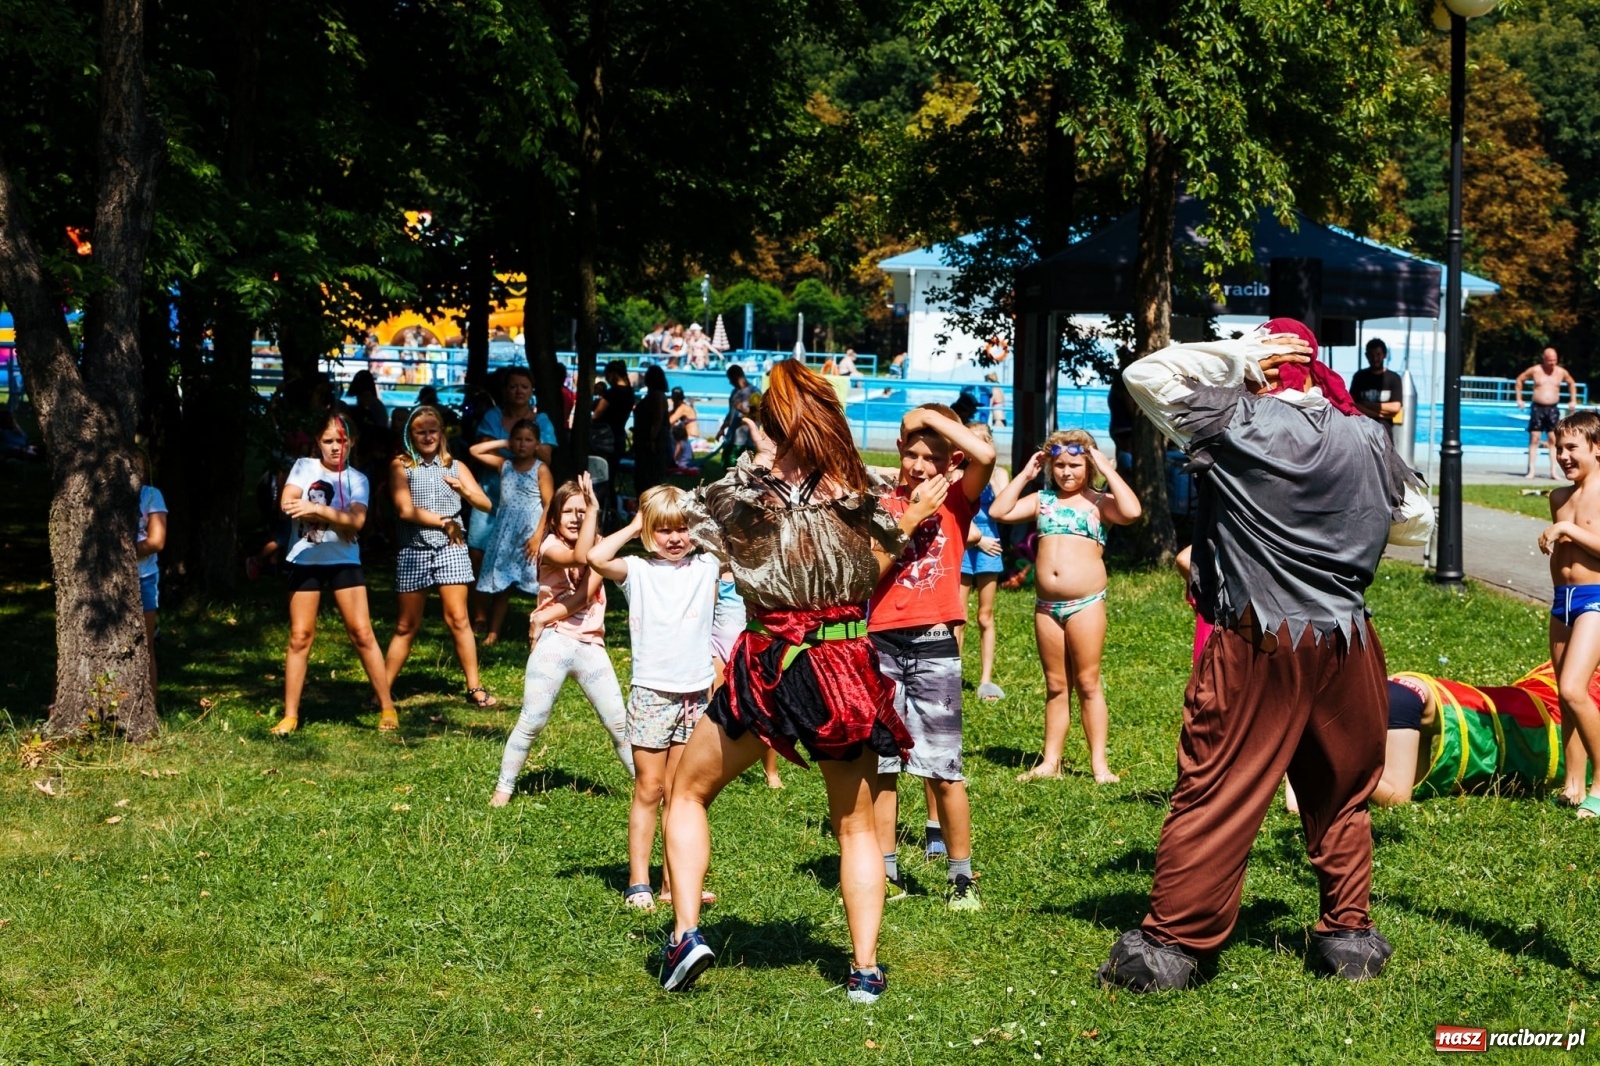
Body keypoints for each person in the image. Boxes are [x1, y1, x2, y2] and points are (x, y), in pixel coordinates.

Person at [1099, 318, 1433, 992]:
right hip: (1347, 638)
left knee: (1218, 786)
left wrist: (1236, 356)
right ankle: (1349, 936)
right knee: (1342, 794)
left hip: (1258, 636)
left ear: (1262, 360)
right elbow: (1415, 523)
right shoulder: (1367, 435)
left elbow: (1144, 375)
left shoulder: (1232, 419)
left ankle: (1171, 946)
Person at [659, 359, 945, 1001]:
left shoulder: (738, 495)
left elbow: (681, 526)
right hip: (843, 667)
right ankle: (865, 971)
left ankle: (685, 933)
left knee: (688, 792)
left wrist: (757, 464)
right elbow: (876, 559)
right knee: (855, 827)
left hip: (767, 664)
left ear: (770, 422)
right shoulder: (859, 490)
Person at [871, 404, 997, 910]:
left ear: (952, 462)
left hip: (934, 644)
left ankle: (961, 877)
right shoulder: (882, 503)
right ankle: (884, 870)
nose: (919, 466)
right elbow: (868, 571)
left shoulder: (960, 499)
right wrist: (910, 514)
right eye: (912, 454)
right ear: (900, 452)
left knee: (943, 768)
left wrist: (923, 414)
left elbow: (984, 453)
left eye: (932, 457)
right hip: (881, 640)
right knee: (882, 765)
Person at [582, 485, 720, 913]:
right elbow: (595, 558)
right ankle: (638, 881)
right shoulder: (637, 571)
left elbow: (741, 543)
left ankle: (671, 884)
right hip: (652, 694)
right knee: (649, 787)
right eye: (664, 530)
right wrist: (634, 526)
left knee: (680, 793)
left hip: (696, 694)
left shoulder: (708, 565)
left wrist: (703, 522)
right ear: (649, 532)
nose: (675, 538)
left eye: (682, 528)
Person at [990, 430, 1141, 784]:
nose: (1066, 472)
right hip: (1047, 608)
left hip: (1086, 605)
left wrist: (1107, 466)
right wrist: (1026, 475)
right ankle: (1051, 761)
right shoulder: (1043, 501)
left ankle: (1099, 763)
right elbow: (1000, 510)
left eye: (1075, 465)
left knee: (1087, 683)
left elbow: (1132, 511)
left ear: (1088, 466)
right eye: (1059, 465)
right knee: (1056, 685)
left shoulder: (1099, 503)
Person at [491, 474, 632, 807]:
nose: (576, 518)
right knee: (533, 720)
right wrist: (546, 620)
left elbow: (585, 595)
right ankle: (502, 790)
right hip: (554, 643)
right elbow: (580, 557)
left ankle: (650, 789)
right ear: (554, 518)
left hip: (590, 646)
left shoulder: (599, 546)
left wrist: (541, 615)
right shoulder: (549, 546)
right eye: (569, 511)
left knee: (619, 723)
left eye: (583, 511)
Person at [272, 413, 397, 734]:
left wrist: (315, 509)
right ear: (318, 443)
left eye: (341, 441)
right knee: (300, 636)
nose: (335, 447)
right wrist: (336, 519)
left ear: (351, 442)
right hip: (304, 559)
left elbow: (357, 522)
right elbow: (287, 503)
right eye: (328, 441)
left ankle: (387, 706)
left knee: (362, 633)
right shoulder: (304, 467)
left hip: (344, 561)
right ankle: (290, 715)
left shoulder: (358, 479)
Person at [384, 406, 497, 708]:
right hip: (415, 550)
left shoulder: (456, 466)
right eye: (420, 431)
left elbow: (485, 504)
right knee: (406, 624)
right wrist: (444, 521)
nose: (427, 436)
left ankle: (474, 687)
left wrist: (466, 493)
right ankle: (381, 692)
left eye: (433, 430)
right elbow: (404, 510)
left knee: (458, 618)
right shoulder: (401, 466)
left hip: (452, 548)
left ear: (442, 432)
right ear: (410, 434)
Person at [1538, 410, 1600, 818]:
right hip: (1562, 601)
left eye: (1572, 447)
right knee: (1565, 695)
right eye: (1559, 448)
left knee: (1576, 689)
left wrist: (1566, 531)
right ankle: (1573, 782)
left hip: (1596, 598)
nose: (1563, 455)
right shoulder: (1559, 498)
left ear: (1598, 448)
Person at [469, 419, 553, 645]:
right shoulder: (504, 465)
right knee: (502, 586)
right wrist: (505, 441)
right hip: (505, 533)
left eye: (528, 440)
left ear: (537, 444)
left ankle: (543, 633)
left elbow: (549, 504)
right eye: (518, 439)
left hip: (530, 533)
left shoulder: (540, 469)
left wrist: (537, 537)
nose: (522, 444)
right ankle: (493, 633)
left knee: (540, 585)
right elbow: (474, 450)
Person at [959, 422, 1010, 703]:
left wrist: (990, 475)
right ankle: (951, 675)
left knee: (985, 615)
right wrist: (978, 540)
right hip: (967, 546)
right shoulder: (957, 474)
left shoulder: (998, 474)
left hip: (991, 549)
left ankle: (986, 679)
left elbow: (1003, 509)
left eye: (985, 441)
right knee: (959, 617)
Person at [1516, 347, 1578, 480]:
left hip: (1553, 409)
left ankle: (1553, 471)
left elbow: (1572, 384)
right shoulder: (1535, 370)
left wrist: (1572, 400)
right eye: (1549, 360)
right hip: (1537, 408)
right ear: (1544, 358)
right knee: (1534, 438)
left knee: (1554, 439)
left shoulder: (1561, 372)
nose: (1552, 363)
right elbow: (1520, 380)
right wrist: (1519, 398)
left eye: (1554, 360)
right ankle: (1531, 470)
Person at [135, 451, 167, 701]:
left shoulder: (151, 496)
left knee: (145, 644)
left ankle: (150, 705)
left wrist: (123, 553)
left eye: (139, 466)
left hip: (144, 577)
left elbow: (157, 541)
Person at [631, 365, 674, 497]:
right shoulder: (657, 396)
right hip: (651, 441)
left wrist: (652, 439)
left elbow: (657, 419)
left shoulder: (656, 396)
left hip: (651, 444)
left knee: (648, 478)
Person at [1348, 338, 1402, 439]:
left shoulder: (1394, 378)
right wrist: (1382, 414)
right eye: (1371, 355)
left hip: (1385, 434)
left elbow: (1395, 407)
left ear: (1385, 355)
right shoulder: (1359, 377)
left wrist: (1366, 405)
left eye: (1378, 354)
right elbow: (1353, 405)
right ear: (1367, 356)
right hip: (1362, 433)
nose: (1375, 358)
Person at [712, 364, 759, 466]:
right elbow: (731, 413)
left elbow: (757, 416)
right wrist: (722, 428)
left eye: (731, 379)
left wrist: (742, 409)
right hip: (731, 437)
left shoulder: (755, 393)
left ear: (737, 376)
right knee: (726, 465)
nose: (730, 382)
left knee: (744, 470)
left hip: (746, 441)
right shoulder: (735, 392)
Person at [668, 387, 700, 473]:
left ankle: (672, 461)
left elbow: (668, 422)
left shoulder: (683, 408)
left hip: (691, 438)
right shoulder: (680, 407)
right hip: (688, 438)